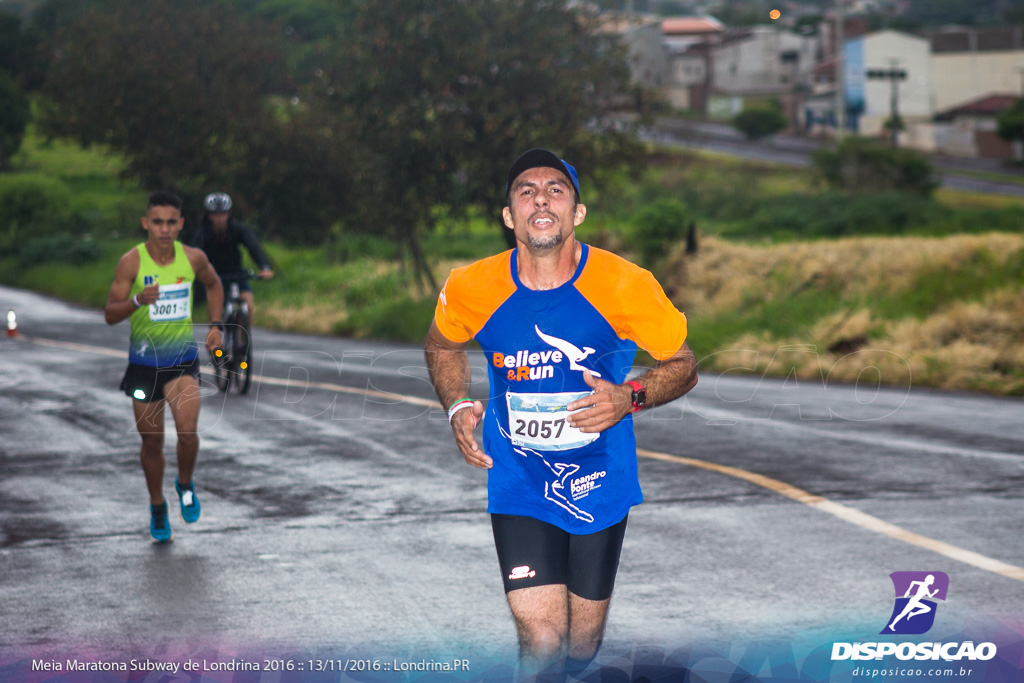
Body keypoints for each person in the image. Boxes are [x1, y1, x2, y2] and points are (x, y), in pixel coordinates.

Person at [424, 149, 698, 679]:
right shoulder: (471, 286)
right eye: (526, 191)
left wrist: (630, 398)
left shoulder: (625, 284)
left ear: (577, 212)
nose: (541, 199)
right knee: (543, 638)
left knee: (579, 645)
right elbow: (441, 346)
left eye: (556, 189)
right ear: (509, 216)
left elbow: (683, 364)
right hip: (518, 480)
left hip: (599, 479)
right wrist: (457, 404)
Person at [105, 190, 224, 543]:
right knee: (152, 442)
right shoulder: (132, 263)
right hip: (143, 364)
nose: (164, 229)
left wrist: (215, 325)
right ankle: (158, 505)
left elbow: (214, 284)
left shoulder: (193, 258)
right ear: (146, 223)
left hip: (182, 362)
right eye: (157, 222)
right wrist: (138, 300)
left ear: (181, 224)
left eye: (171, 222)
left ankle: (184, 485)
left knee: (188, 432)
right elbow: (110, 314)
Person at [189, 192, 274, 316]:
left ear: (229, 214)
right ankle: (215, 332)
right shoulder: (203, 233)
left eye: (222, 214)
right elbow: (195, 253)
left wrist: (265, 267)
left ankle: (245, 334)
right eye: (215, 215)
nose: (219, 219)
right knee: (214, 312)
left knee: (248, 306)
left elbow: (253, 247)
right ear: (209, 216)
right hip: (213, 274)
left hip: (236, 272)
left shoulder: (238, 229)